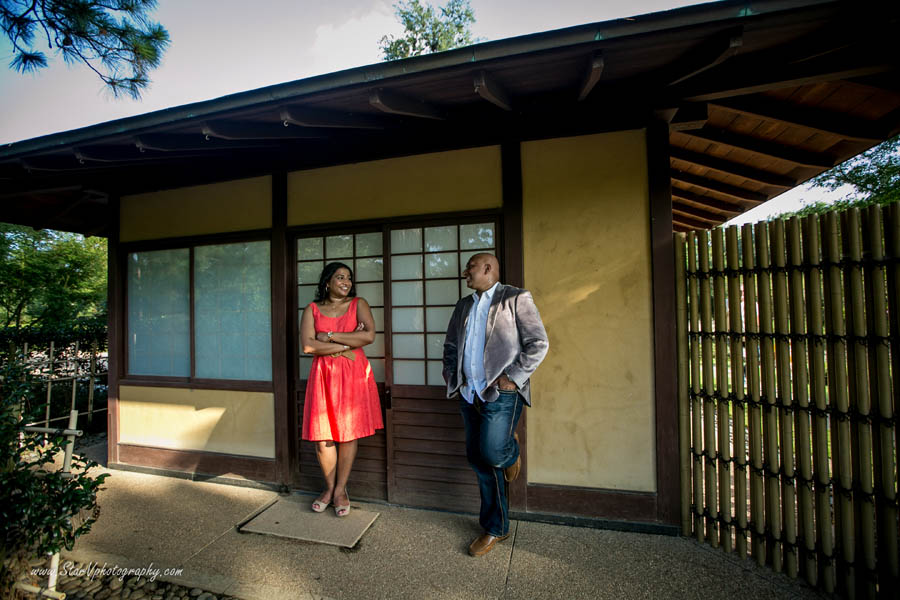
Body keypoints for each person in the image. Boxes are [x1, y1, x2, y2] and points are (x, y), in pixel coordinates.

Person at [442, 253, 549, 557]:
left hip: (502, 394)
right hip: (468, 393)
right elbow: (451, 345)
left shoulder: (515, 298)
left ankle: (509, 450)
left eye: (471, 267)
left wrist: (513, 378)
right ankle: (495, 528)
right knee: (479, 460)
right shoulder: (464, 305)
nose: (466, 272)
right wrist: (453, 377)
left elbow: (538, 343)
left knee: (492, 452)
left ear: (488, 269)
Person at [300, 261, 383, 517]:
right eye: (339, 277)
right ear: (327, 282)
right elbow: (308, 347)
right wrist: (348, 344)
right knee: (323, 437)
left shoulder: (359, 304)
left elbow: (368, 336)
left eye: (348, 277)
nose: (346, 281)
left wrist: (330, 336)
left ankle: (340, 491)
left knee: (348, 434)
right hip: (323, 375)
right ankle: (328, 487)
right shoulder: (312, 309)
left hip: (353, 375)